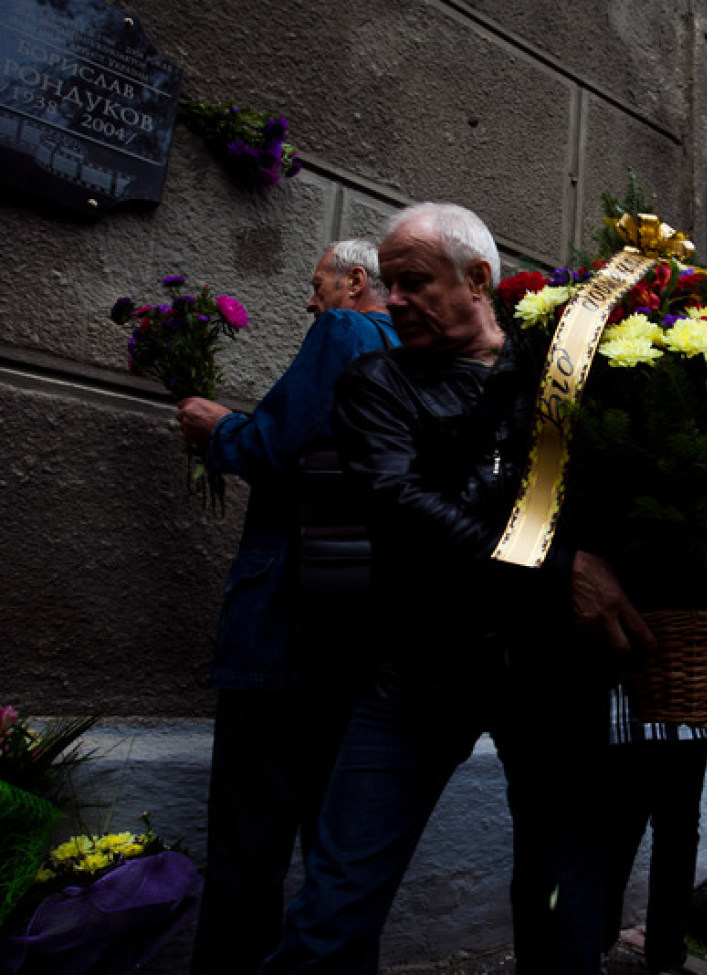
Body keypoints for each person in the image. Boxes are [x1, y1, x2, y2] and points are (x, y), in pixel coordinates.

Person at [260, 202, 632, 974]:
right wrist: (561, 569)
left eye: (414, 282)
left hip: (551, 678)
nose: (394, 300)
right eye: (390, 284)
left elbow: (613, 498)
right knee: (334, 905)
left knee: (564, 908)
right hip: (417, 674)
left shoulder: (558, 375)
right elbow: (398, 504)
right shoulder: (377, 381)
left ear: (479, 279)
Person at [176, 240, 398, 975]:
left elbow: (280, 445)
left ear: (356, 281)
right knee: (337, 861)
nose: (311, 301)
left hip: (284, 632)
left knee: (248, 846)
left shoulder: (347, 331)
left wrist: (219, 430)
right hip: (358, 640)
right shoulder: (414, 355)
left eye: (317, 284)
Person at [603, 685, 707, 975]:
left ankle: (662, 954)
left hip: (680, 708)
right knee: (642, 831)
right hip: (661, 706)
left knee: (665, 832)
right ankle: (659, 955)